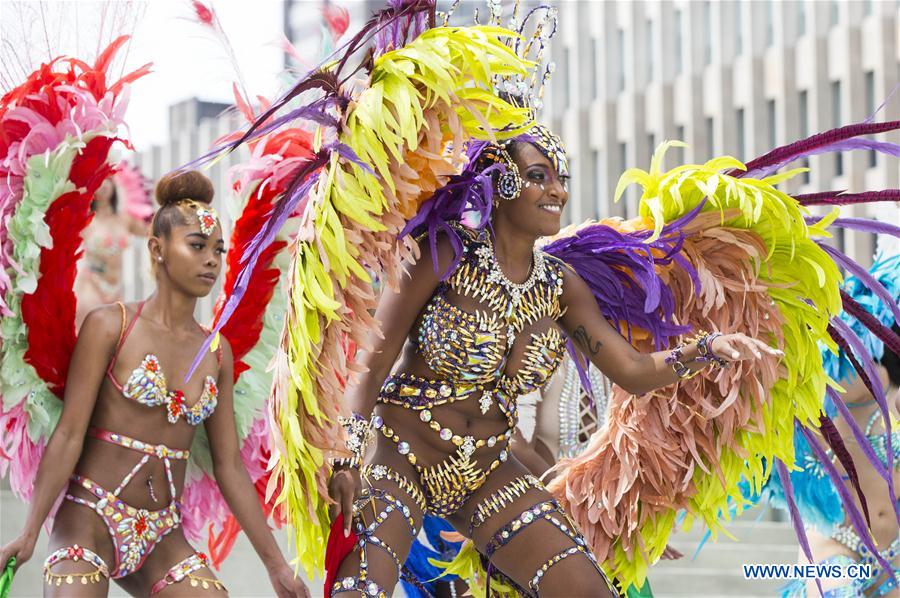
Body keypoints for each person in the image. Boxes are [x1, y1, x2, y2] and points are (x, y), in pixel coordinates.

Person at [325, 126, 778, 597]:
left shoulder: (560, 286)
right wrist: (347, 456)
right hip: (402, 455)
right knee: (358, 592)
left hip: (486, 472)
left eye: (562, 179)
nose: (557, 191)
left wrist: (706, 349)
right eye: (539, 176)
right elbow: (372, 363)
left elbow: (633, 371)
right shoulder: (444, 252)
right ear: (498, 182)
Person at [0, 171, 310, 598]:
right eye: (197, 246)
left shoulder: (217, 352)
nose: (211, 260)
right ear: (157, 248)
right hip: (88, 519)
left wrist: (276, 567)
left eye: (218, 250)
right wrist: (30, 533)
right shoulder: (110, 326)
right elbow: (69, 433)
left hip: (162, 535)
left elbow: (229, 467)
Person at [75, 174, 150, 330]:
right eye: (99, 181)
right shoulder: (85, 220)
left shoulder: (125, 219)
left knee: (114, 334)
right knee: (89, 331)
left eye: (108, 180)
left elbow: (151, 231)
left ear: (115, 184)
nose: (103, 185)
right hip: (91, 286)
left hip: (116, 288)